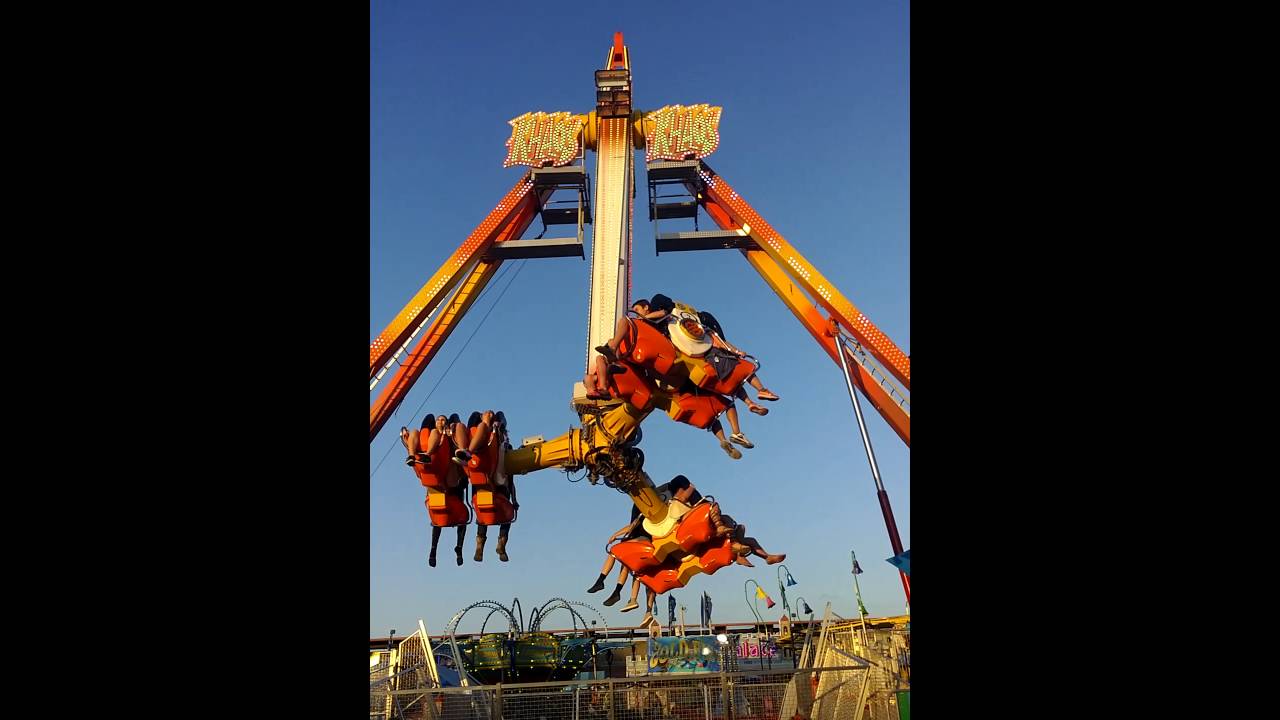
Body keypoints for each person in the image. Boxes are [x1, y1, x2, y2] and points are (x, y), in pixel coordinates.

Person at [401, 413, 469, 567]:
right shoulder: (430, 435)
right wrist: (407, 441)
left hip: (452, 483)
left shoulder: (449, 438)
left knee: (461, 517)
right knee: (437, 520)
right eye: (438, 419)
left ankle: (459, 547)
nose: (441, 421)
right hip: (435, 480)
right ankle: (433, 550)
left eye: (443, 420)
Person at [463, 411, 518, 562]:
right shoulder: (494, 443)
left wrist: (514, 498)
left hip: (489, 483)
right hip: (494, 483)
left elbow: (510, 478)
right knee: (500, 514)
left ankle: (484, 545)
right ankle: (499, 544)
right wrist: (514, 499)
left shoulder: (501, 446)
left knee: (484, 513)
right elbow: (511, 478)